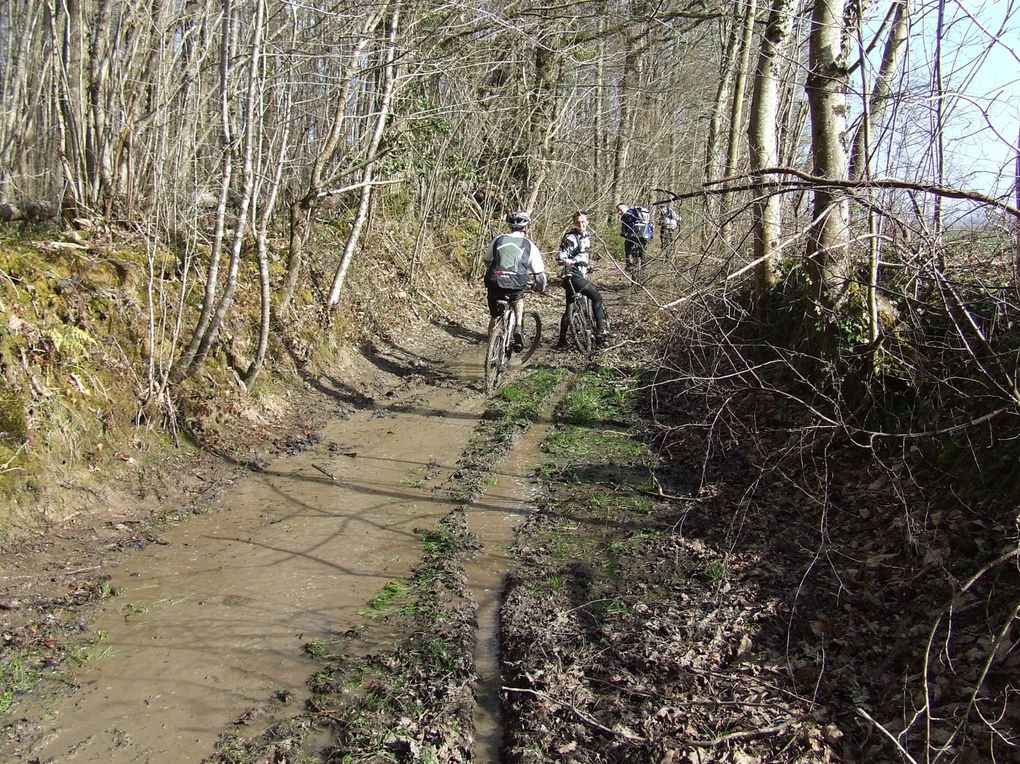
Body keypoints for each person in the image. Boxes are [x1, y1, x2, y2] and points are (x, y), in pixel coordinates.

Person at [483, 211, 547, 351]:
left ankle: (491, 345)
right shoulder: (529, 245)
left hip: (494, 281)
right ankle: (518, 326)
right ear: (526, 228)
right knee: (518, 300)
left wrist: (498, 271)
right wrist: (540, 288)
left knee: (495, 316)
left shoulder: (498, 239)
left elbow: (487, 260)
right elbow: (540, 275)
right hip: (515, 283)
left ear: (510, 226)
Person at [554, 210, 609, 348]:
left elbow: (582, 255)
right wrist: (568, 261)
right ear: (573, 223)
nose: (581, 224)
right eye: (578, 222)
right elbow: (560, 256)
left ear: (588, 222)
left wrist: (586, 266)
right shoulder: (570, 237)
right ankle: (601, 332)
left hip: (577, 274)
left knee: (569, 308)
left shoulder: (586, 235)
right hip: (573, 275)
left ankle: (562, 340)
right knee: (596, 297)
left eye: (583, 221)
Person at [617, 202, 653, 272]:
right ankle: (644, 268)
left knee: (628, 246)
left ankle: (629, 264)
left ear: (626, 207)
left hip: (633, 235)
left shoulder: (627, 214)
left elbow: (625, 228)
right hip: (646, 235)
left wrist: (623, 234)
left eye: (620, 209)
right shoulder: (641, 214)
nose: (619, 212)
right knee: (643, 250)